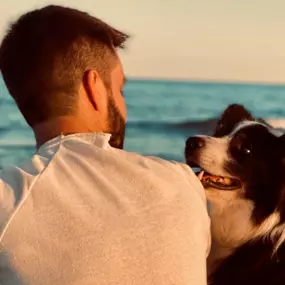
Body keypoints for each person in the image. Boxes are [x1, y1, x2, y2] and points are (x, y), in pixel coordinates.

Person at [0, 5, 210, 285]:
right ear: (93, 87)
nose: (123, 106)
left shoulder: (9, 200)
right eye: (119, 89)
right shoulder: (183, 185)